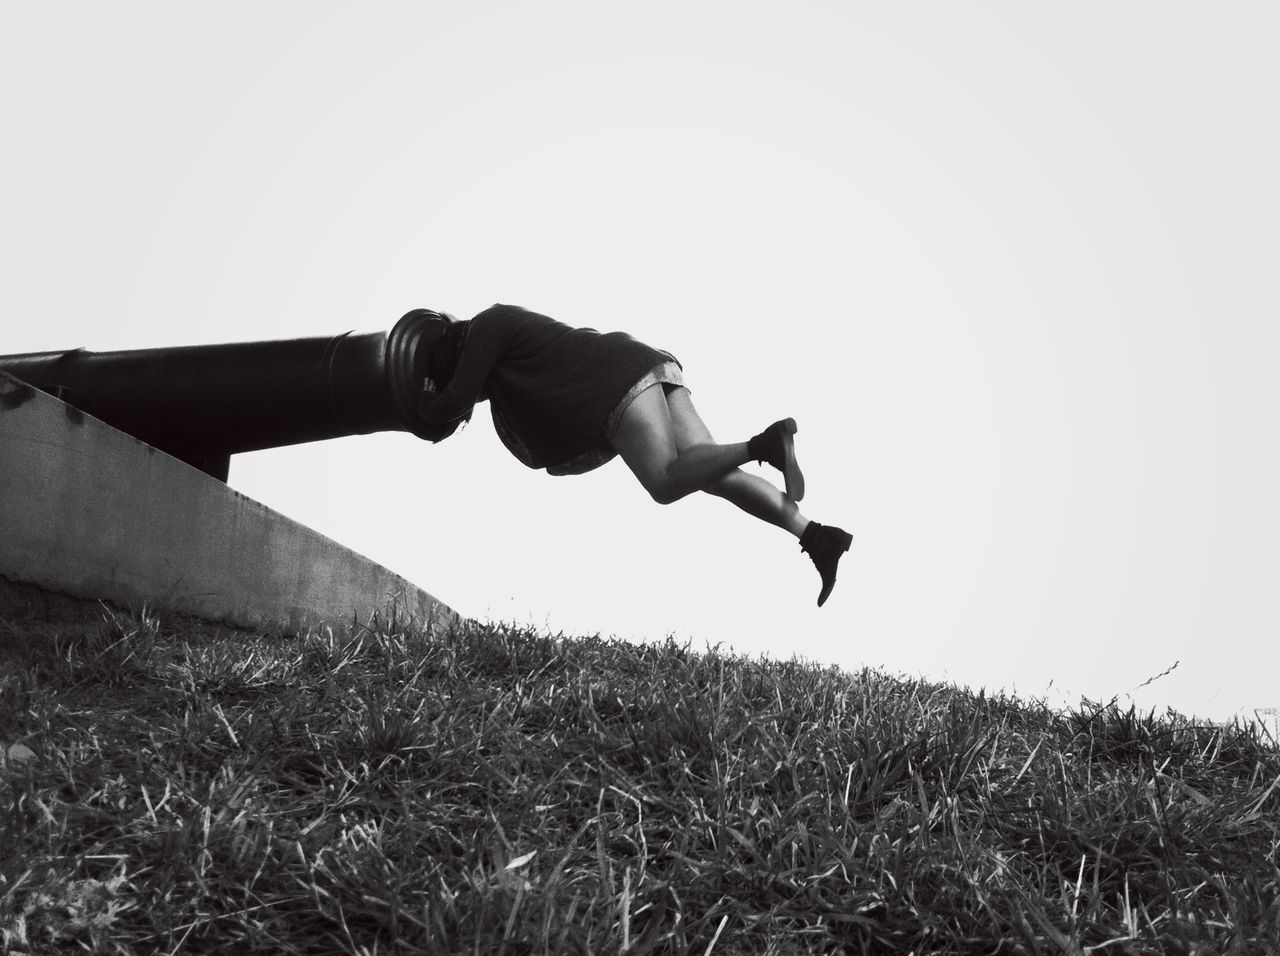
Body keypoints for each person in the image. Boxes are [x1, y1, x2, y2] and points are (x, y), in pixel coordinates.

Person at [412, 303, 852, 606]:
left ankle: (762, 445)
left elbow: (453, 400)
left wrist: (413, 402)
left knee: (664, 480)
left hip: (616, 379)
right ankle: (816, 536)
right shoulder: (502, 338)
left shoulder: (486, 325)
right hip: (646, 364)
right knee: (708, 471)